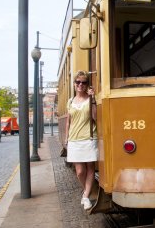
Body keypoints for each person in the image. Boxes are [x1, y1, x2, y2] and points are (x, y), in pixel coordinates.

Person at [65, 70, 97, 210]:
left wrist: (93, 99)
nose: (80, 85)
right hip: (74, 140)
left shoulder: (90, 99)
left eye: (84, 82)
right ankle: (87, 191)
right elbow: (68, 122)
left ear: (87, 85)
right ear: (74, 84)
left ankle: (85, 196)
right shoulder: (70, 101)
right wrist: (66, 139)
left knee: (90, 169)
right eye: (78, 82)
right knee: (79, 171)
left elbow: (95, 118)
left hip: (89, 138)